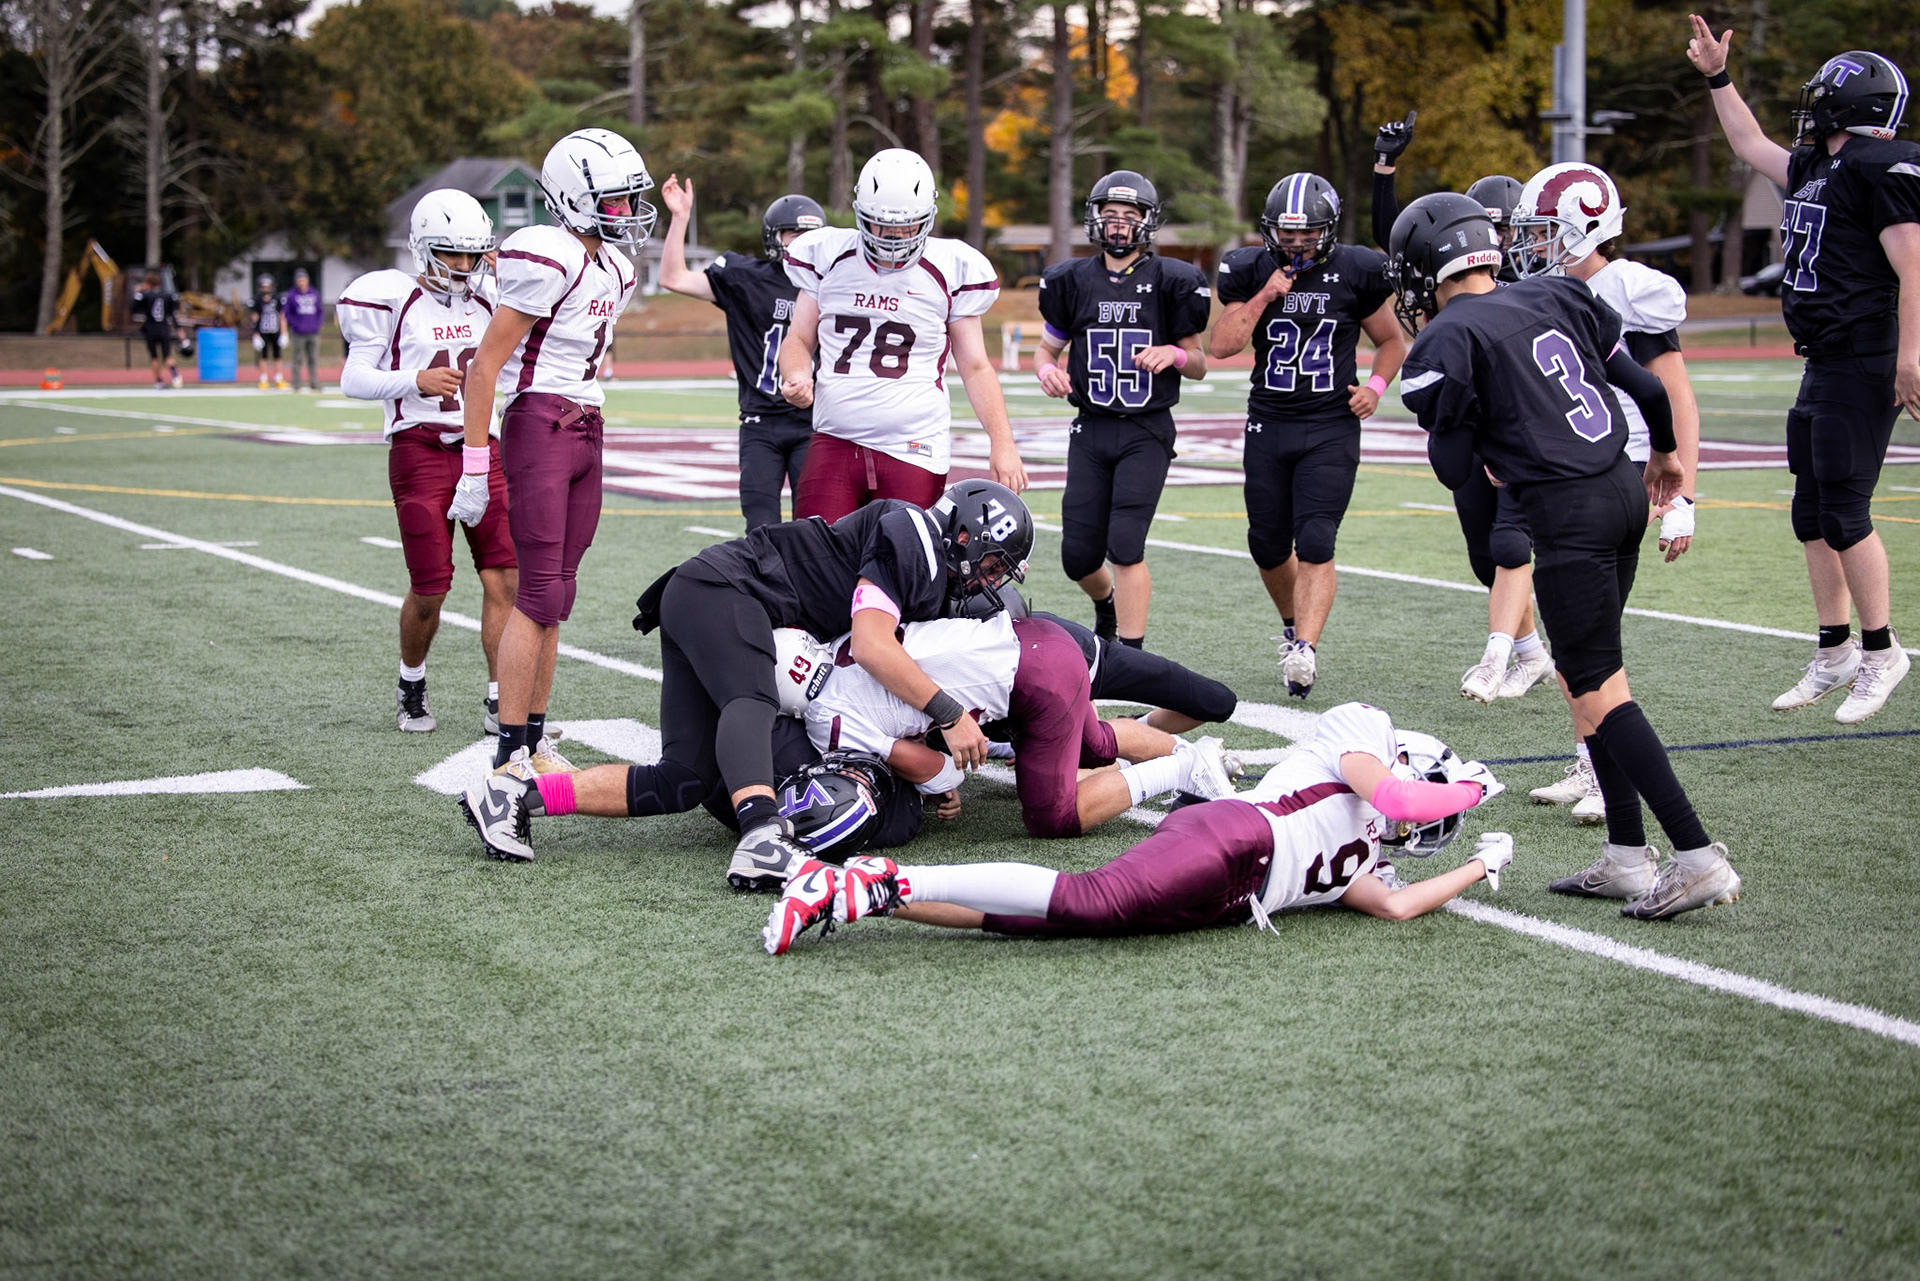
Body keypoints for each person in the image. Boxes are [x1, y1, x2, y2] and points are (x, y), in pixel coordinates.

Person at [1391, 191, 1741, 920]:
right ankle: (1622, 854)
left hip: (1569, 511)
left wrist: (1478, 435)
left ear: (1428, 269)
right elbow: (1645, 385)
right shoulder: (1557, 291)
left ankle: (1697, 855)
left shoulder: (1448, 337)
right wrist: (1669, 459)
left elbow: (1456, 467)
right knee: (1589, 679)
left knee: (1601, 689)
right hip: (1622, 488)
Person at [457, 479, 1037, 893]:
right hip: (727, 590)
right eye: (989, 569)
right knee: (752, 700)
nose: (986, 588)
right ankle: (762, 837)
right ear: (962, 538)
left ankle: (514, 795)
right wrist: (947, 711)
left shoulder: (927, 578)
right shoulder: (910, 538)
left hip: (710, 598)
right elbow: (871, 644)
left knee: (685, 779)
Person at [760, 700, 1509, 954]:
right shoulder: (1367, 734)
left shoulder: (1367, 857)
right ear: (1416, 759)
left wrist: (1482, 863)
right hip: (1235, 838)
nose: (1414, 835)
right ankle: (873, 881)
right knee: (1083, 898)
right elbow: (1408, 802)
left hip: (1227, 901)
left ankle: (845, 893)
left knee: (1047, 923)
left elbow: (1396, 903)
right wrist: (1473, 784)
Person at [1689, 20, 1917, 723]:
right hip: (1822, 358)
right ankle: (1835, 649)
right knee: (1811, 512)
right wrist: (1718, 78)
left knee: (1846, 510)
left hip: (1865, 356)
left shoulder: (1884, 168)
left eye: (1822, 98)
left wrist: (1912, 356)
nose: (1811, 109)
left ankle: (1883, 652)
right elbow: (1749, 143)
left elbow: (1915, 268)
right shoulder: (1822, 166)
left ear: (1857, 106)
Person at [1509, 161, 1705, 824]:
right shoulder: (1552, 292)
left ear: (1584, 227)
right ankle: (1591, 758)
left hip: (1617, 478)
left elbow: (1673, 391)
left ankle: (1608, 773)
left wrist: (1683, 495)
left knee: (1592, 645)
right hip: (1572, 476)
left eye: (1542, 232)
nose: (1529, 246)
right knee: (1577, 641)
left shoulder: (1630, 289)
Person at [455, 128, 650, 777]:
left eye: (630, 200)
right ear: (572, 197)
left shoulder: (616, 267)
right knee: (537, 592)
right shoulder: (548, 255)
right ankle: (509, 747)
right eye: (616, 201)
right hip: (541, 422)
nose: (627, 212)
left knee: (559, 593)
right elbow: (486, 366)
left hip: (587, 424)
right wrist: (476, 465)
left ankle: (535, 737)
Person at [1368, 111, 1554, 707]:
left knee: (1509, 544)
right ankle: (1532, 654)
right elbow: (1394, 239)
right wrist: (1384, 171)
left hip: (1524, 429)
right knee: (1486, 556)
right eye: (1485, 228)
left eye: (1503, 230)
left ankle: (1501, 654)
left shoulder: (1535, 284)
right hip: (1473, 425)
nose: (1494, 243)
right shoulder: (1451, 293)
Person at [1209, 172, 1407, 699]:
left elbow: (1391, 340)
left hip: (1329, 425)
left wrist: (1377, 386)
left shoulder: (1357, 270)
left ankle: (1306, 650)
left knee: (1317, 538)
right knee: (1267, 544)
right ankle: (1294, 628)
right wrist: (1264, 295)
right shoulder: (1250, 268)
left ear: (1330, 229)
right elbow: (1222, 345)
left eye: (1308, 233)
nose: (1297, 242)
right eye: (1288, 233)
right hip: (1268, 421)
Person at [800, 610, 1239, 839]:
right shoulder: (850, 640)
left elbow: (942, 770)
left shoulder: (824, 717)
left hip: (1033, 683)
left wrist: (937, 783)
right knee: (1097, 745)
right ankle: (1187, 758)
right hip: (1038, 640)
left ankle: (1184, 766)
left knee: (1054, 818)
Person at [337, 189, 516, 736]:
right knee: (431, 585)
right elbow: (353, 379)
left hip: (482, 448)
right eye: (451, 254)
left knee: (504, 578)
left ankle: (499, 698)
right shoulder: (390, 298)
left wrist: (503, 268)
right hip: (420, 450)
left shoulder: (492, 300)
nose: (463, 267)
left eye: (472, 254)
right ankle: (411, 680)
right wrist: (413, 379)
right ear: (421, 248)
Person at [777, 148, 1028, 521]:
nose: (894, 237)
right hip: (835, 438)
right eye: (881, 224)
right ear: (861, 213)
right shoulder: (827, 256)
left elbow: (976, 367)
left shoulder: (950, 268)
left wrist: (1002, 442)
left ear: (928, 218)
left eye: (907, 225)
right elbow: (799, 338)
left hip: (914, 445)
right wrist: (796, 373)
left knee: (901, 568)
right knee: (814, 561)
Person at [1034, 170, 1211, 648]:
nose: (1117, 225)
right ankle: (1105, 605)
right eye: (1109, 215)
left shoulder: (1172, 280)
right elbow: (1045, 351)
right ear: (1094, 220)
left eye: (1129, 216)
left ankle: (1131, 657)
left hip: (1145, 430)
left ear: (1147, 224)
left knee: (1127, 545)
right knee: (1077, 556)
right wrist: (1046, 370)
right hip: (1090, 428)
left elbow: (1197, 363)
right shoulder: (1071, 280)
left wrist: (1173, 354)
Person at [658, 177, 823, 529]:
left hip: (814, 424)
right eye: (794, 234)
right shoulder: (745, 278)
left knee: (812, 530)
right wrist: (680, 218)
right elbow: (673, 277)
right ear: (773, 236)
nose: (803, 244)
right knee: (760, 531)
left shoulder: (832, 283)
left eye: (811, 236)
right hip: (760, 424)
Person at [130, 271, 182, 390]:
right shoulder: (166, 295)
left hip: (150, 328)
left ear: (148, 283)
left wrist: (137, 293)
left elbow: (134, 308)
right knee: (167, 356)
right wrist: (178, 328)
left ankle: (159, 381)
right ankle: (175, 374)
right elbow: (172, 313)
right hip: (163, 328)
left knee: (154, 357)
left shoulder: (146, 295)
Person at [284, 268, 324, 392]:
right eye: (299, 280)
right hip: (298, 332)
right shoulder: (292, 295)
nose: (301, 282)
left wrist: (317, 324)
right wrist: (295, 325)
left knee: (313, 359)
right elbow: (287, 313)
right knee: (297, 359)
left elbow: (320, 311)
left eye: (303, 279)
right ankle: (296, 383)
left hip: (313, 331)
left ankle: (314, 383)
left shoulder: (314, 293)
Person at [249, 274, 286, 390]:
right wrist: (255, 334)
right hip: (263, 331)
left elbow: (282, 316)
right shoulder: (257, 300)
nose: (265, 289)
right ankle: (263, 379)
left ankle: (278, 378)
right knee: (263, 356)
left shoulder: (277, 299)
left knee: (277, 356)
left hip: (275, 330)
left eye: (267, 286)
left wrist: (284, 333)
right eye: (263, 287)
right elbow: (254, 317)